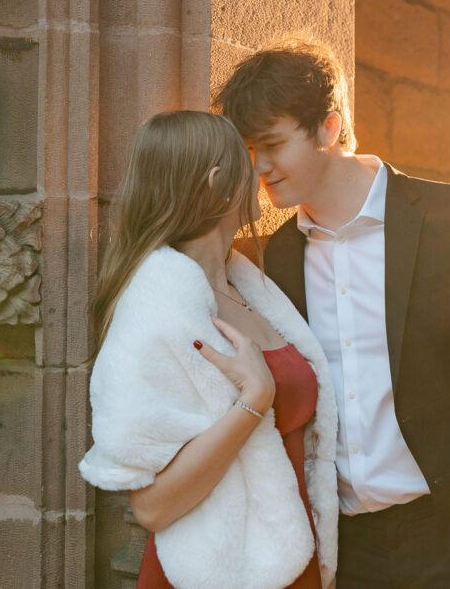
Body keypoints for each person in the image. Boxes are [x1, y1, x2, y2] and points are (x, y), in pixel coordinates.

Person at [215, 38, 450, 588]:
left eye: (271, 144)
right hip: (348, 552)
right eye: (248, 150)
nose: (259, 167)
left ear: (328, 127)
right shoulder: (271, 260)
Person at [78, 111, 338, 589]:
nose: (260, 171)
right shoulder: (157, 308)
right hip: (221, 571)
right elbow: (151, 507)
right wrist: (253, 400)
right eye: (249, 159)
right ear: (219, 182)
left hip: (288, 552)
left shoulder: (250, 286)